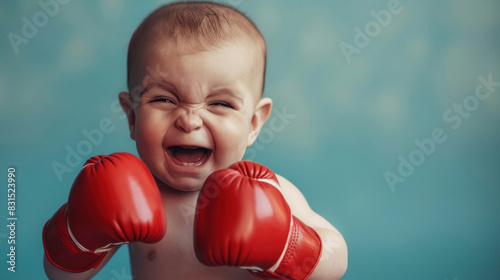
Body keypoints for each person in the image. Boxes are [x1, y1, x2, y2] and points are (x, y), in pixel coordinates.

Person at [42, 2, 348, 279]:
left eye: (220, 104)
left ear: (253, 123)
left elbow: (336, 260)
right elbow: (62, 276)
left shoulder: (268, 192)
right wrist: (77, 230)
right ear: (132, 117)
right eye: (163, 99)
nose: (189, 120)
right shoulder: (131, 192)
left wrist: (287, 245)